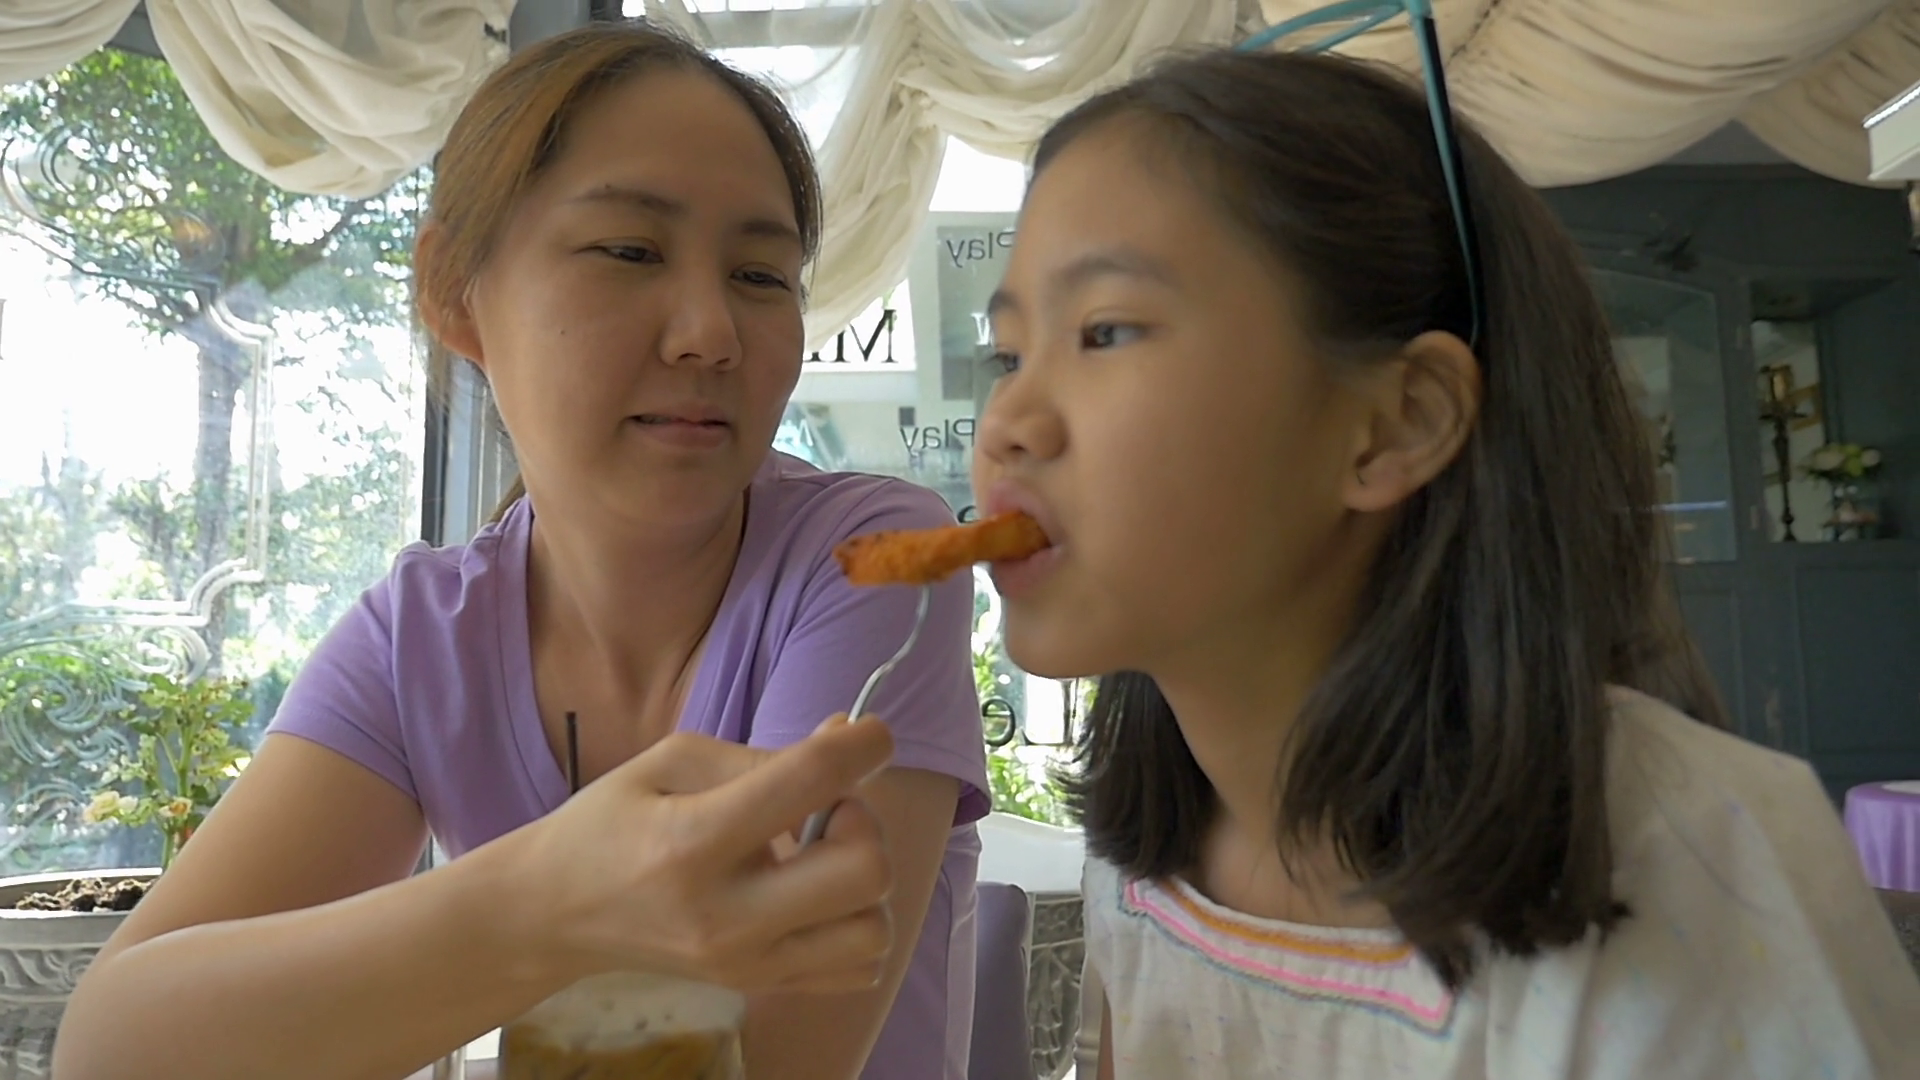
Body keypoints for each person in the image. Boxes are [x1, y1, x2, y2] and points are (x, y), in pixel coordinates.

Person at [55, 20, 989, 1080]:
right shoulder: (420, 641)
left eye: (760, 275)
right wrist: (544, 902)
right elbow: (115, 1050)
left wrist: (525, 919)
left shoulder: (880, 558)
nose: (710, 332)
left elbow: (767, 1060)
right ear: (456, 293)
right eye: (630, 251)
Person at [969, 45, 1920, 1080]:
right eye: (1008, 355)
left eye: (1105, 331)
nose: (1007, 420)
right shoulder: (1143, 869)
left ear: (1395, 424)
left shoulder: (1699, 866)